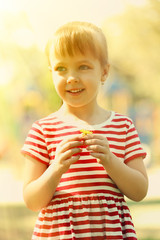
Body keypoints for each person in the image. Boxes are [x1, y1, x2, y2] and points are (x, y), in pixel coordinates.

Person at [21, 21, 148, 240]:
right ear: (51, 72)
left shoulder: (123, 127)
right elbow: (32, 200)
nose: (72, 77)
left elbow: (139, 191)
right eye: (61, 68)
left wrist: (110, 159)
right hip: (60, 233)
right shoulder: (43, 130)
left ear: (104, 71)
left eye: (83, 66)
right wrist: (56, 168)